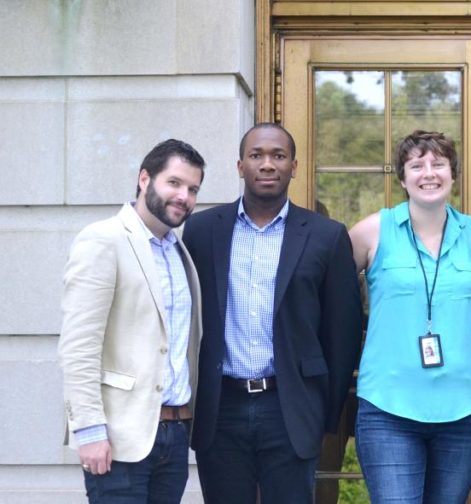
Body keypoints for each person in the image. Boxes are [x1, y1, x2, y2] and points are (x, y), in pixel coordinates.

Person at [182, 123, 364, 503]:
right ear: (239, 166)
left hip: (290, 407)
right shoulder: (200, 231)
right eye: (257, 155)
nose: (268, 164)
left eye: (278, 156)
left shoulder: (326, 236)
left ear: (294, 166)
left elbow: (342, 333)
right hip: (221, 408)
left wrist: (323, 412)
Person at [348, 130, 471, 503]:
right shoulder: (371, 232)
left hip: (463, 409)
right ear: (402, 178)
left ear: (453, 174)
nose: (428, 173)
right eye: (417, 165)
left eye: (439, 164)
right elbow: (334, 302)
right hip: (388, 408)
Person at [58, 139, 206, 503]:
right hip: (120, 437)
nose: (184, 196)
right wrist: (90, 431)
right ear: (144, 178)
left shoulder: (179, 251)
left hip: (174, 433)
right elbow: (79, 345)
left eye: (193, 189)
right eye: (174, 183)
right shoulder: (103, 240)